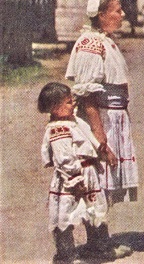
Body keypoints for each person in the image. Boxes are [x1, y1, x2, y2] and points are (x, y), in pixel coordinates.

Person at [65, 0, 135, 259]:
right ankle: (98, 245)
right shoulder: (91, 44)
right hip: (101, 118)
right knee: (96, 182)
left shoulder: (104, 41)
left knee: (103, 183)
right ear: (102, 15)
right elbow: (87, 95)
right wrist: (98, 134)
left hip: (113, 116)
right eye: (117, 10)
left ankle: (100, 240)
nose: (122, 14)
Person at [39, 82, 109, 264]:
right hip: (72, 177)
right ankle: (66, 255)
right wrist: (74, 180)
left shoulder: (73, 121)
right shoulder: (58, 129)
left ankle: (97, 247)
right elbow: (64, 158)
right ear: (55, 108)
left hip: (88, 172)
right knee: (64, 214)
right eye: (69, 102)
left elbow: (90, 139)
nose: (74, 105)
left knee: (93, 209)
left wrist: (103, 151)